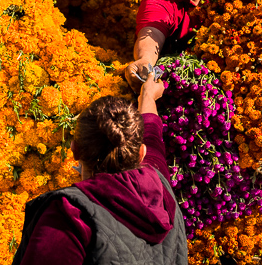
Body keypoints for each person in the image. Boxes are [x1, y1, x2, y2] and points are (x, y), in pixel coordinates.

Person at [12, 73, 187, 265]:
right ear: (141, 154)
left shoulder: (70, 215)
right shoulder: (160, 188)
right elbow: (152, 133)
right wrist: (148, 96)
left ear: (74, 149)